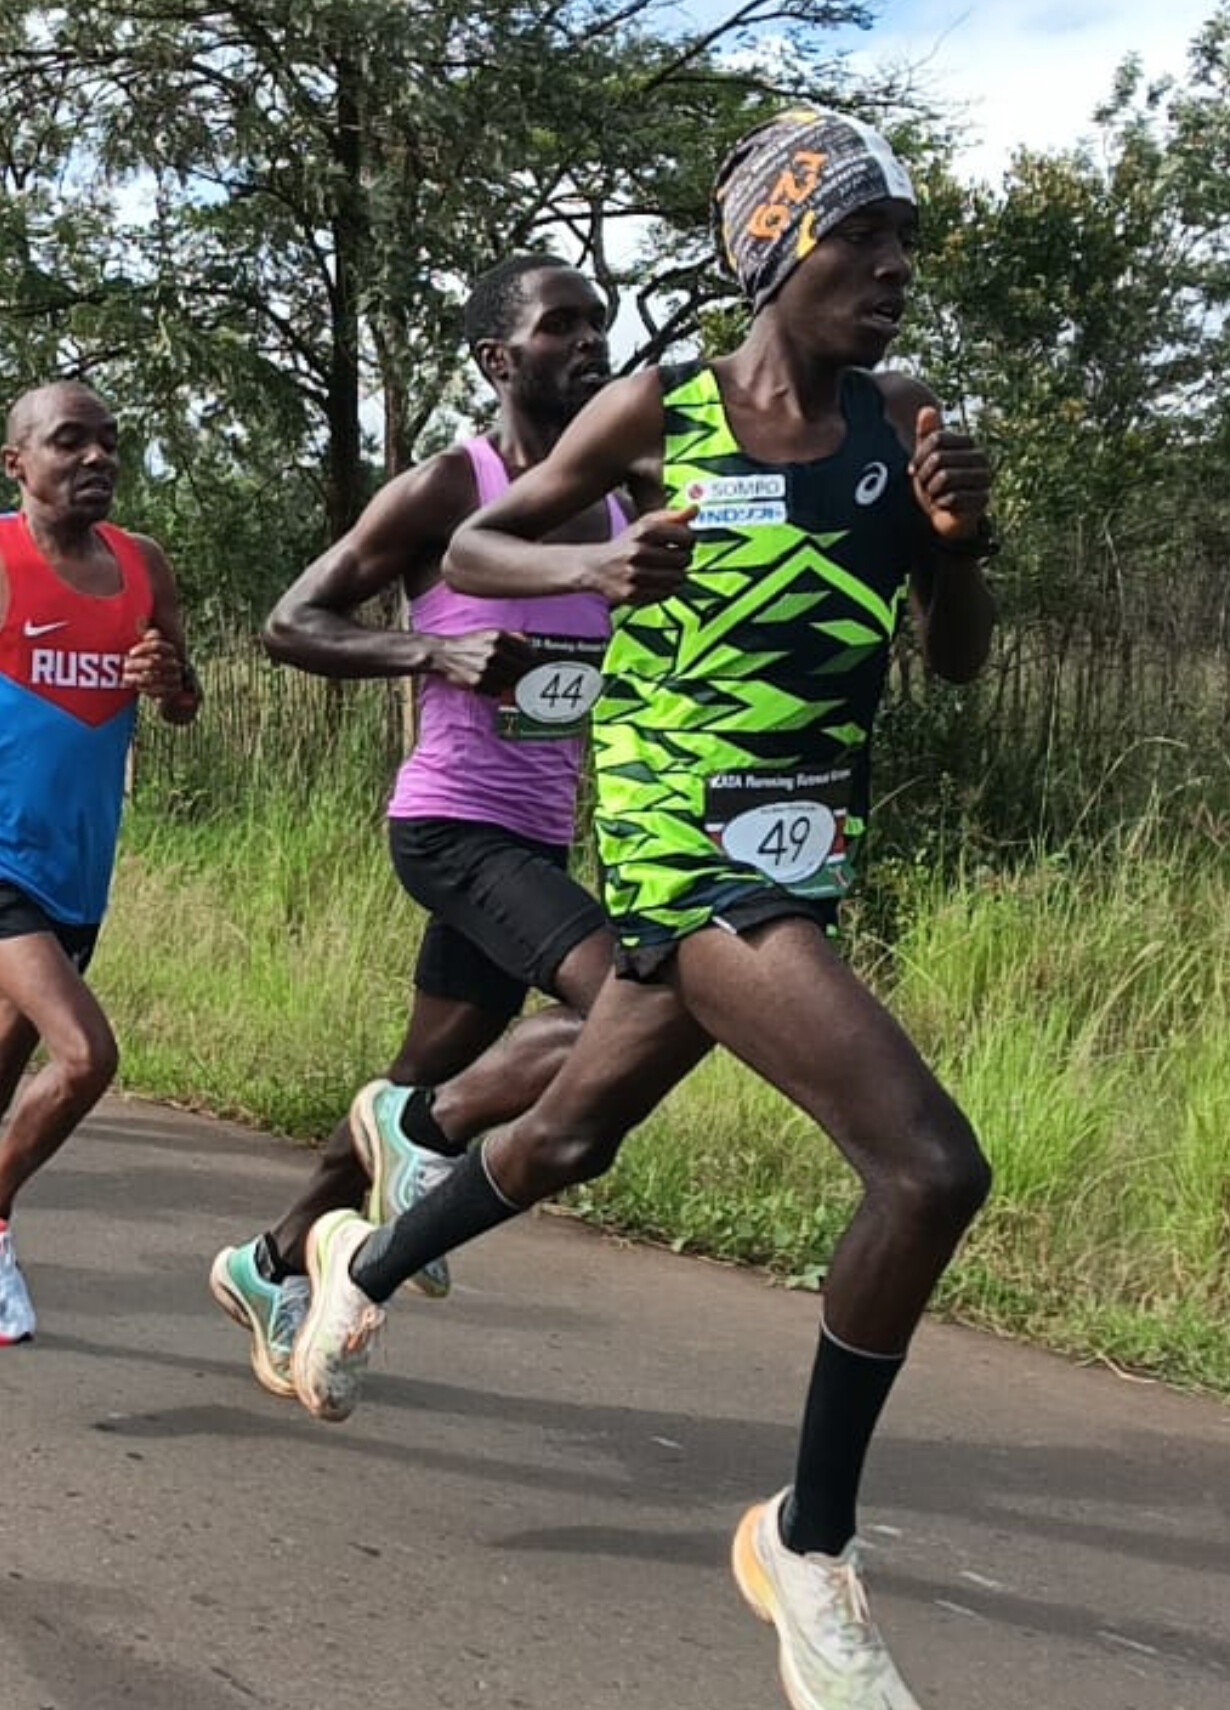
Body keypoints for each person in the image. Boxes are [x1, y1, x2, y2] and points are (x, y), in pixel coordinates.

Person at [291, 110, 997, 1709]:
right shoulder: (660, 410)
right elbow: (484, 539)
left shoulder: (902, 418)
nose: (892, 265)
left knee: (567, 1136)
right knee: (930, 1167)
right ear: (774, 251)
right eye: (859, 234)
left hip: (805, 846)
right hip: (688, 839)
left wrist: (966, 544)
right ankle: (805, 1545)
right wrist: (591, 574)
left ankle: (362, 1259)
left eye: (901, 239)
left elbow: (954, 660)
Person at [210, 254, 640, 1399]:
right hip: (451, 824)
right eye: (560, 326)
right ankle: (428, 1130)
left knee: (412, 1077)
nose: (589, 343)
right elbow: (291, 622)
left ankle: (269, 1263)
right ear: (498, 359)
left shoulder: (618, 502)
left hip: (535, 835)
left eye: (597, 323)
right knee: (625, 1006)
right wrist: (432, 650)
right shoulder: (451, 487)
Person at [0, 379, 200, 1343]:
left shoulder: (141, 564)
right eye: (69, 441)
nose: (96, 458)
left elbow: (185, 700)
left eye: (109, 442)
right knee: (86, 1056)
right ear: (17, 463)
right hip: (2, 861)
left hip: (78, 866)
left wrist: (170, 679)